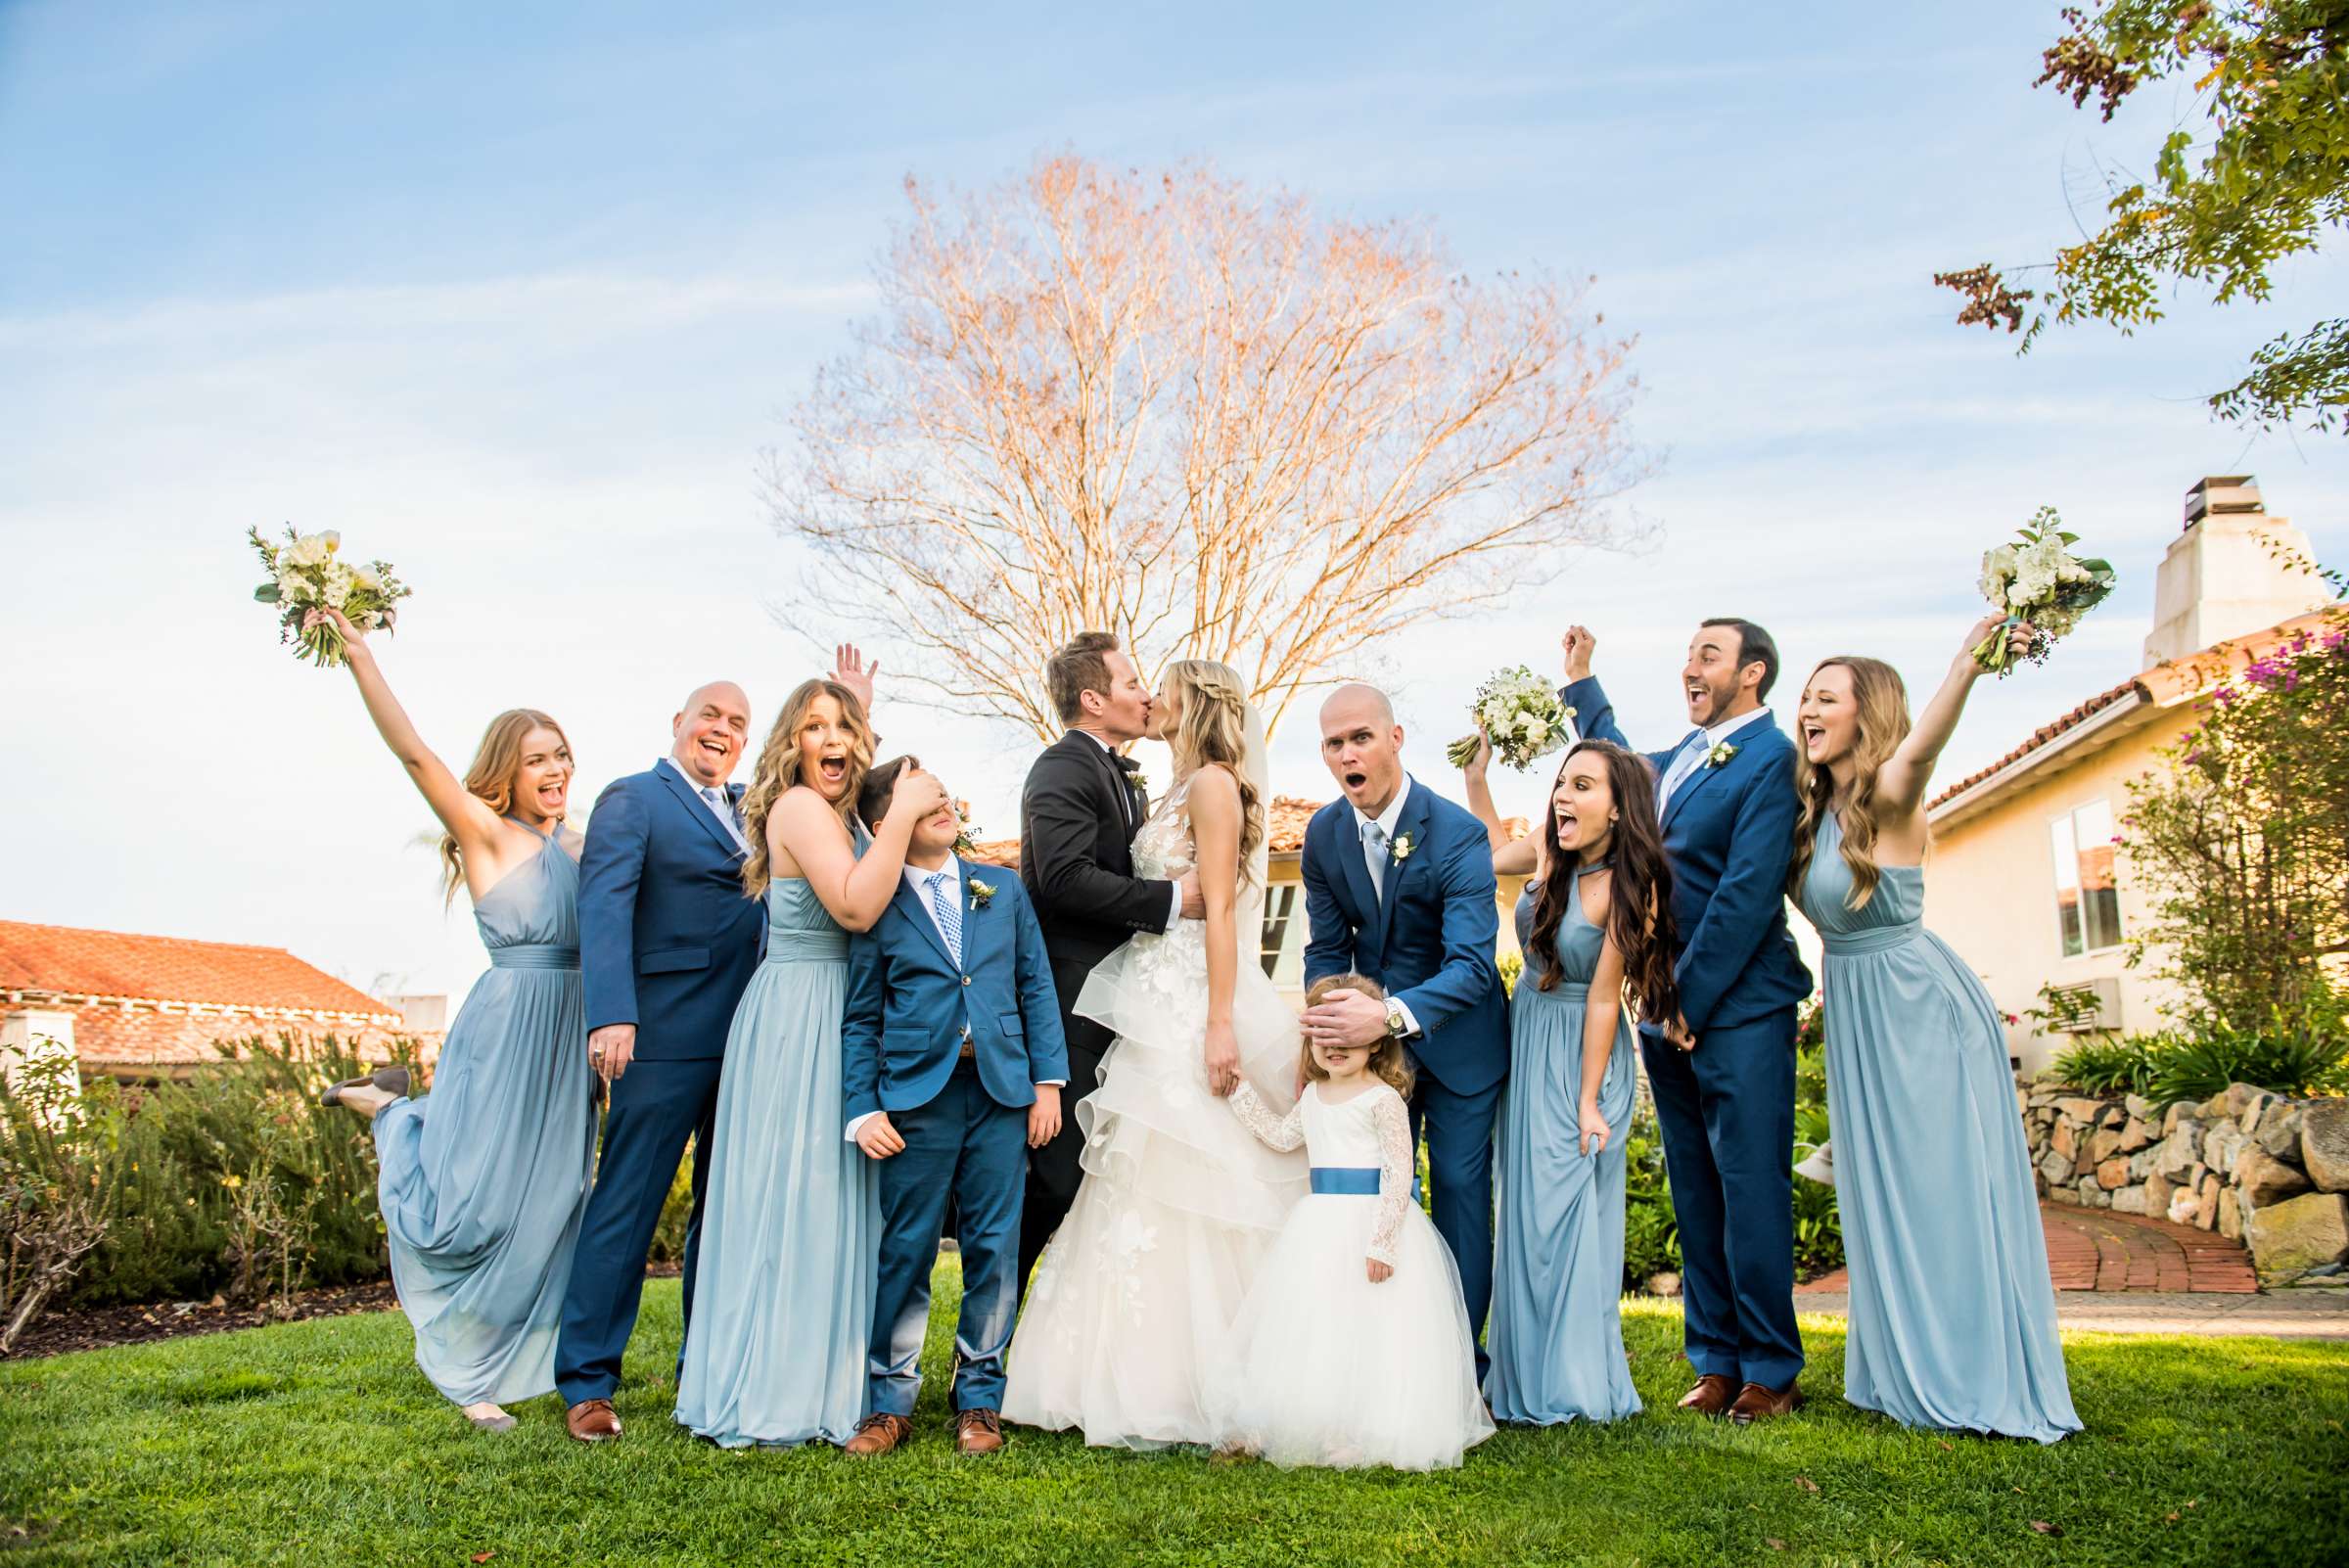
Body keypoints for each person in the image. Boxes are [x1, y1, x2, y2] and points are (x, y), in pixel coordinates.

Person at [1002, 660, 1306, 1449]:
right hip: (1142, 998)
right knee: (1127, 1176)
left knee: (1191, 1173)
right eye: (1139, 683)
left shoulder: (1210, 784)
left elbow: (1222, 918)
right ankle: (1126, 1369)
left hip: (1186, 1000)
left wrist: (1217, 1021)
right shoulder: (1167, 786)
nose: (1151, 697)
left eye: (1162, 687)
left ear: (1194, 702)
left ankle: (1205, 1373)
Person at [1788, 621, 2079, 1443]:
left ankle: (1970, 1369)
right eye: (1805, 697)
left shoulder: (1889, 793)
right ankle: (1902, 1368)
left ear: (1867, 714)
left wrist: (1965, 666)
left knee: (1940, 1190)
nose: (1808, 711)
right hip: (1859, 1009)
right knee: (1885, 1195)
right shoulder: (1815, 813)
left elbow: (1920, 753)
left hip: (1920, 1007)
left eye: (1827, 699)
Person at [310, 607, 595, 1433]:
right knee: (480, 1206)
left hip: (571, 1037)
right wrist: (362, 657)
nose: (556, 767)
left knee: (551, 1202)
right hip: (509, 1026)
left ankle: (504, 1364)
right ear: (507, 771)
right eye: (538, 757)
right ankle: (390, 1110)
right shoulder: (485, 833)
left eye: (562, 754)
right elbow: (413, 753)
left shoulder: (580, 844)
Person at [672, 678, 949, 1448]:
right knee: (795, 1190)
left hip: (847, 1009)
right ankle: (780, 1386)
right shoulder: (798, 808)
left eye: (845, 729)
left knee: (837, 1197)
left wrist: (861, 725)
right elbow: (858, 905)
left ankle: (839, 1376)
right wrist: (897, 815)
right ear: (789, 745)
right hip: (802, 1011)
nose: (832, 741)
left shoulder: (841, 812)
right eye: (813, 728)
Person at [1560, 621, 1814, 1424]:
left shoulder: (1773, 761)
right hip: (1664, 1013)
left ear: (1753, 673)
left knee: (1751, 1192)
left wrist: (1686, 1004)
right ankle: (1715, 1362)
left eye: (1709, 654)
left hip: (1736, 1010)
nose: (1689, 667)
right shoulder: (1679, 762)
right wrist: (1581, 683)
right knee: (1696, 1191)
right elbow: (1617, 759)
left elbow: (1745, 896)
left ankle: (1771, 1369)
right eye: (1689, 654)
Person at [838, 756, 1070, 1458]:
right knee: (905, 1249)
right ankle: (888, 1403)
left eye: (943, 794)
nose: (943, 801)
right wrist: (862, 1107)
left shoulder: (1000, 888)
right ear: (886, 824)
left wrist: (1048, 1083)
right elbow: (861, 1017)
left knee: (993, 1250)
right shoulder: (876, 905)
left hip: (1001, 1092)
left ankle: (979, 1400)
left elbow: (1035, 986)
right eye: (922, 797)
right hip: (916, 1097)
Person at [1464, 736, 1678, 1425]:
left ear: (1618, 810)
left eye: (1584, 786)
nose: (1565, 795)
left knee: (1563, 1220)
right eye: (1563, 782)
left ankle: (1573, 1382)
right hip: (1527, 1034)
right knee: (1524, 1212)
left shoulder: (1628, 885)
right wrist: (1477, 778)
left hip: (1581, 1052)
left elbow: (1602, 997)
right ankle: (1519, 1376)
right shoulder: (1548, 850)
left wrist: (1588, 1101)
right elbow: (1490, 858)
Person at [1297, 683, 1508, 1374]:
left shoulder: (1457, 833)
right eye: (1334, 742)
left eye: (1361, 737)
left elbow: (1474, 966)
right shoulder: (1324, 834)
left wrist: (1384, 1015)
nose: (1347, 753)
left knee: (1455, 1195)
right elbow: (1327, 949)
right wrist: (1328, 1021)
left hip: (1459, 1047)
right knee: (1380, 1195)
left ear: (1395, 739)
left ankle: (1457, 1371)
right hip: (1370, 1052)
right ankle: (1380, 1363)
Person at [1212, 973, 1495, 1472]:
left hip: (1371, 1227)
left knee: (1373, 1328)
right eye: (1323, 1039)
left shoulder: (1383, 1099)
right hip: (1318, 1228)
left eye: (1346, 1039)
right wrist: (1241, 1095)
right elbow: (1281, 1137)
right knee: (1318, 1326)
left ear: (1375, 1040)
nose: (1335, 1049)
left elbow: (1399, 1170)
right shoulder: (1314, 1097)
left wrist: (1383, 1240)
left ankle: (1361, 1427)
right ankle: (1317, 1421)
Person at [1015, 632, 1205, 1282]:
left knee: (1095, 1182)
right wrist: (1173, 898)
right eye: (1131, 684)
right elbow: (1064, 879)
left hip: (1121, 1000)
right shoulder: (1065, 767)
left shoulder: (1116, 771)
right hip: (1070, 1004)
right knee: (1055, 1180)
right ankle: (983, 1352)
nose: (1146, 694)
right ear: (1093, 700)